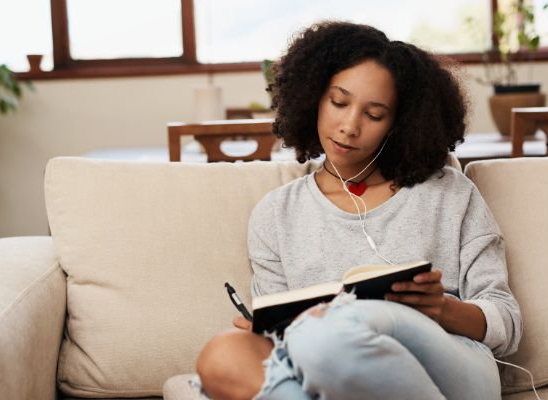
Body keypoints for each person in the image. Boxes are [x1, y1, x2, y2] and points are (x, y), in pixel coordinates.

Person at [196, 21, 521, 400]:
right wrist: (265, 331)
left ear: (398, 125)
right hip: (325, 367)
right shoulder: (276, 214)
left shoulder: (448, 193)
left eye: (374, 114)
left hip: (450, 364)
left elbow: (507, 323)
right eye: (338, 102)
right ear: (313, 97)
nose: (349, 126)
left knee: (331, 327)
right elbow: (278, 336)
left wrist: (442, 309)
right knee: (223, 354)